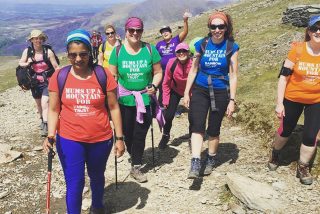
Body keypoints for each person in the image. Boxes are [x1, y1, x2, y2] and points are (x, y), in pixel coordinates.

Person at [42, 29, 125, 213]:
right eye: (73, 55)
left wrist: (119, 138)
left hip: (101, 139)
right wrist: (50, 135)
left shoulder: (103, 74)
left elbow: (114, 107)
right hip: (69, 138)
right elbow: (54, 109)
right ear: (67, 55)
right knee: (75, 182)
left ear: (90, 53)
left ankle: (97, 206)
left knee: (97, 176)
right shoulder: (60, 76)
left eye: (83, 54)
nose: (78, 59)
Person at [184, 11, 239, 179]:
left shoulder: (232, 47)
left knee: (213, 129)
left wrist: (232, 100)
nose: (217, 30)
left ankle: (211, 158)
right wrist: (187, 92)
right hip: (201, 88)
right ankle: (195, 161)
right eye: (213, 26)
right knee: (197, 125)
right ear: (209, 27)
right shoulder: (202, 43)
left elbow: (233, 75)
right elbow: (193, 70)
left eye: (220, 26)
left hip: (221, 90)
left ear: (226, 27)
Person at [109, 17, 162, 183]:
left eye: (138, 30)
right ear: (126, 31)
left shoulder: (149, 49)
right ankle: (133, 153)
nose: (135, 33)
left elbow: (158, 72)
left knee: (140, 133)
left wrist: (154, 84)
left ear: (142, 31)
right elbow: (112, 77)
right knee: (127, 133)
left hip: (144, 99)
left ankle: (136, 165)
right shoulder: (117, 52)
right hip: (124, 101)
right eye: (131, 30)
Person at [268, 15, 320, 185]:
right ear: (309, 31)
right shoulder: (297, 50)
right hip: (292, 97)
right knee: (285, 130)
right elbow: (283, 78)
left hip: (316, 100)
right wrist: (279, 103)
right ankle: (275, 153)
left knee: (311, 135)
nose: (318, 31)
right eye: (315, 28)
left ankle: (303, 166)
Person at [19, 29, 59, 136]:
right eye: (35, 38)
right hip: (34, 82)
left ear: (43, 39)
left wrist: (61, 79)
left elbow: (55, 67)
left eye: (40, 38)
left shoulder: (48, 52)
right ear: (31, 40)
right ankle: (42, 119)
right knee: (39, 104)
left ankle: (46, 125)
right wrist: (28, 62)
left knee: (45, 102)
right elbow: (21, 63)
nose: (38, 40)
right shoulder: (27, 52)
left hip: (48, 82)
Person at [158, 42, 192, 149]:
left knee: (193, 116)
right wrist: (166, 99)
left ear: (188, 52)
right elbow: (166, 82)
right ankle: (165, 135)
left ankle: (193, 136)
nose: (182, 53)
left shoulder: (194, 63)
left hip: (191, 91)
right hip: (175, 90)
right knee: (168, 115)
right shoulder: (171, 63)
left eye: (184, 51)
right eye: (179, 51)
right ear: (176, 53)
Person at [156, 11, 189, 106]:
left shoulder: (176, 40)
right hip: (162, 70)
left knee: (174, 89)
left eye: (166, 31)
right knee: (163, 88)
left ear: (171, 33)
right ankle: (161, 107)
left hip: (175, 69)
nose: (164, 33)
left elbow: (185, 32)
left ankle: (173, 107)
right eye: (162, 32)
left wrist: (185, 21)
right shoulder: (159, 44)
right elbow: (155, 57)